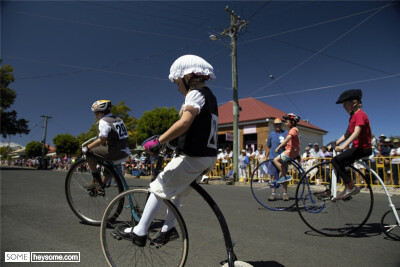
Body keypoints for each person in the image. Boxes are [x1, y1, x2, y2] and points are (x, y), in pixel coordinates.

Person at [116, 55, 218, 247]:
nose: (178, 87)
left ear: (188, 78)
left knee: (158, 185)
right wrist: (173, 143)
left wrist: (159, 140)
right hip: (207, 157)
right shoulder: (210, 96)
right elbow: (197, 126)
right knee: (175, 191)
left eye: (178, 82)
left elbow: (185, 122)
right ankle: (168, 229)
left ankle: (140, 231)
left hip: (194, 157)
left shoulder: (195, 94)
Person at [328, 89, 372, 200]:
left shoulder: (360, 115)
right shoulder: (352, 117)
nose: (344, 107)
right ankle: (333, 189)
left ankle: (350, 187)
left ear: (354, 103)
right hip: (357, 148)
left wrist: (343, 146)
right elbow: (347, 134)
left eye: (345, 104)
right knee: (338, 164)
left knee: (335, 161)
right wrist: (336, 143)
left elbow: (356, 133)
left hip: (363, 148)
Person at [82, 100, 130, 190]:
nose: (96, 116)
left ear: (100, 112)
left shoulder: (103, 121)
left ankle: (95, 181)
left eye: (96, 113)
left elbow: (102, 139)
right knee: (109, 164)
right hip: (125, 150)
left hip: (116, 151)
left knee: (89, 153)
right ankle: (101, 186)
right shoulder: (119, 119)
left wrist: (87, 147)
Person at [271, 113, 301, 201]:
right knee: (282, 168)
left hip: (289, 152)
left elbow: (288, 139)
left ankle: (286, 176)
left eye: (287, 122)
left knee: (275, 160)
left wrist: (279, 147)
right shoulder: (294, 130)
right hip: (292, 152)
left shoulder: (293, 130)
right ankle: (282, 177)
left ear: (292, 122)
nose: (285, 124)